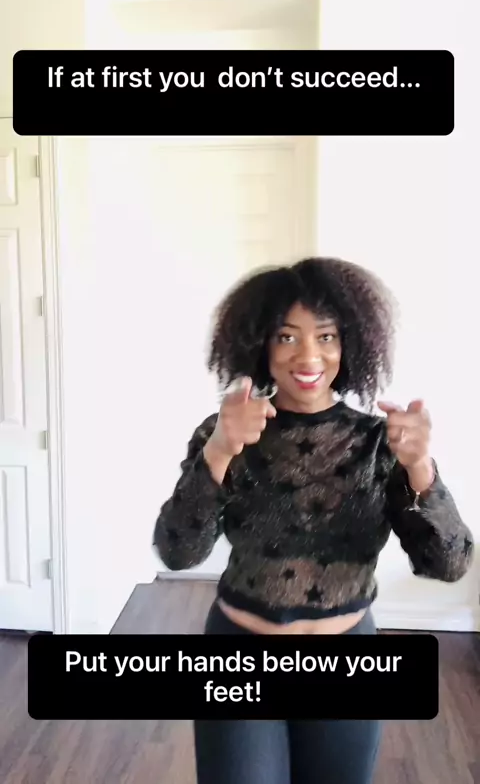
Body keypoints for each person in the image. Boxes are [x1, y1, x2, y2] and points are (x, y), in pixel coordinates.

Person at [152, 256, 474, 784]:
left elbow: (449, 564)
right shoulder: (226, 431)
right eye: (286, 337)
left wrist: (421, 467)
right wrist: (219, 450)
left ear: (349, 345)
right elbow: (177, 551)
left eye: (326, 336)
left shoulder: (379, 444)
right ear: (260, 345)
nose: (308, 355)